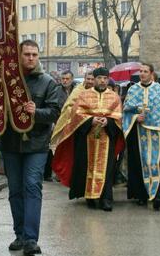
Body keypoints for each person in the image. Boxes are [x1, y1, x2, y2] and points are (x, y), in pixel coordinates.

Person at [0, 40, 61, 256]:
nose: (31, 58)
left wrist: (37, 111)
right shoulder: (6, 81)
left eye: (35, 54)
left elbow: (55, 112)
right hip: (10, 143)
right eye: (27, 54)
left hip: (36, 145)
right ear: (19, 55)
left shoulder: (48, 83)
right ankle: (20, 234)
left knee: (32, 186)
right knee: (15, 190)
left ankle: (31, 239)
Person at [51, 67, 124, 211]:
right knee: (87, 166)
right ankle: (90, 197)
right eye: (99, 78)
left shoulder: (114, 97)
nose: (102, 81)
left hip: (106, 138)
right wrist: (91, 120)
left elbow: (118, 117)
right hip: (87, 138)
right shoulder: (84, 95)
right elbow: (76, 114)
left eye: (105, 78)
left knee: (107, 169)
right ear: (94, 79)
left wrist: (107, 122)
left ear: (108, 79)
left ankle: (106, 199)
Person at [122, 63, 160, 211]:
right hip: (137, 133)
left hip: (156, 134)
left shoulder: (159, 90)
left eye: (145, 71)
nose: (142, 74)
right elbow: (126, 111)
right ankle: (141, 195)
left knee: (155, 163)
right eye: (140, 71)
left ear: (151, 73)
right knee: (139, 164)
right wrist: (135, 117)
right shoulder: (133, 89)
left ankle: (157, 196)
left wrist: (159, 124)